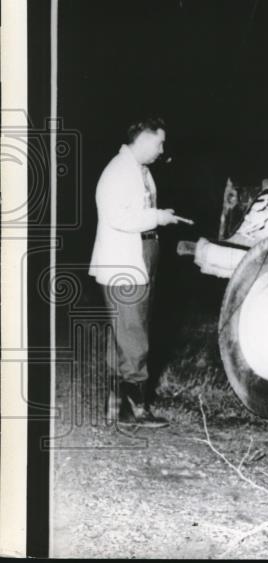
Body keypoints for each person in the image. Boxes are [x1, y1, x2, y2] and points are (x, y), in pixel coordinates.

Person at [89, 117, 192, 427]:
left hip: (140, 253)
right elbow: (119, 216)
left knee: (127, 332)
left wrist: (158, 219)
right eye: (159, 143)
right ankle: (136, 410)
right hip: (124, 260)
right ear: (144, 140)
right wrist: (157, 217)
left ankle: (117, 406)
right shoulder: (119, 171)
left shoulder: (138, 171)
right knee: (133, 334)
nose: (162, 150)